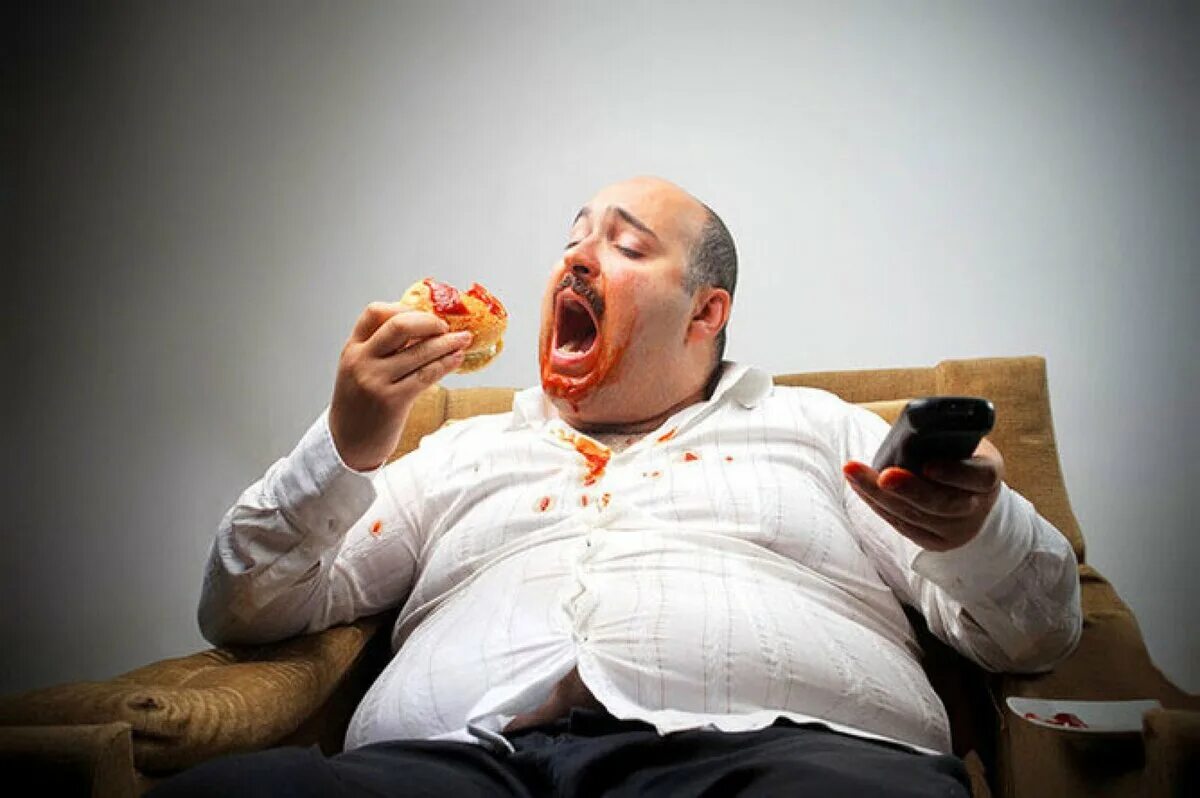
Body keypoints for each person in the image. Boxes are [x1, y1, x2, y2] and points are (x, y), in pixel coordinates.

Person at [152, 176, 1082, 797]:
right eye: (572, 241)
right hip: (455, 767)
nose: (577, 259)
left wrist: (978, 529)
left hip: (781, 757)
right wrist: (346, 447)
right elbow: (244, 608)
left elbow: (1036, 633)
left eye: (628, 247)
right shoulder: (459, 450)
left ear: (706, 312)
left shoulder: (820, 428)